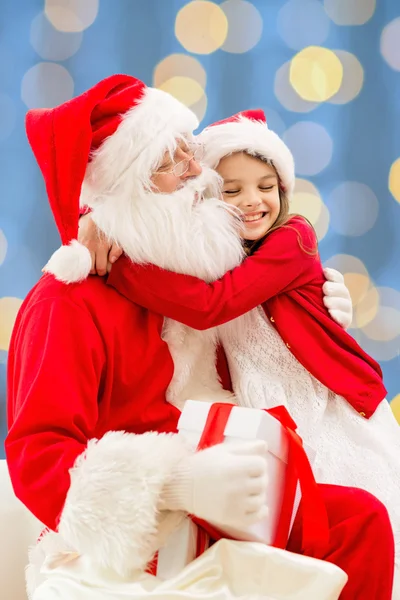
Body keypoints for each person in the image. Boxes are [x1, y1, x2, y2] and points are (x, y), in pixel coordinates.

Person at [6, 77, 394, 600]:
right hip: (136, 534)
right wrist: (175, 486)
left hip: (230, 492)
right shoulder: (66, 302)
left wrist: (321, 300)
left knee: (362, 521)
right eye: (172, 161)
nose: (199, 173)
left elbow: (251, 298)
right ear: (129, 186)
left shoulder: (187, 274)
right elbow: (38, 453)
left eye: (192, 151)